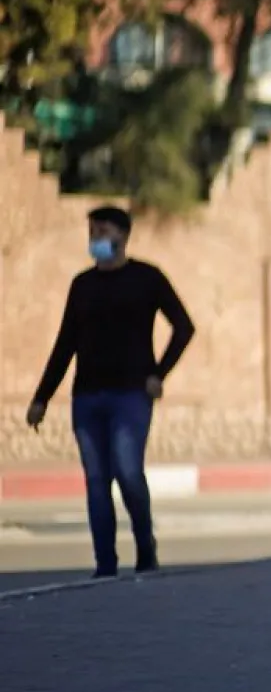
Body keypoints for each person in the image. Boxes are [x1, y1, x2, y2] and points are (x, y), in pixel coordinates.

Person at [26, 206, 196, 579]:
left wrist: (158, 373)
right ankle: (105, 564)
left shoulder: (146, 278)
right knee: (96, 480)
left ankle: (145, 549)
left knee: (127, 470)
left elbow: (184, 327)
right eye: (91, 232)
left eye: (101, 231)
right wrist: (41, 397)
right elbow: (65, 343)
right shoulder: (82, 285)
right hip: (86, 397)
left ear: (122, 236)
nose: (94, 239)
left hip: (131, 395)